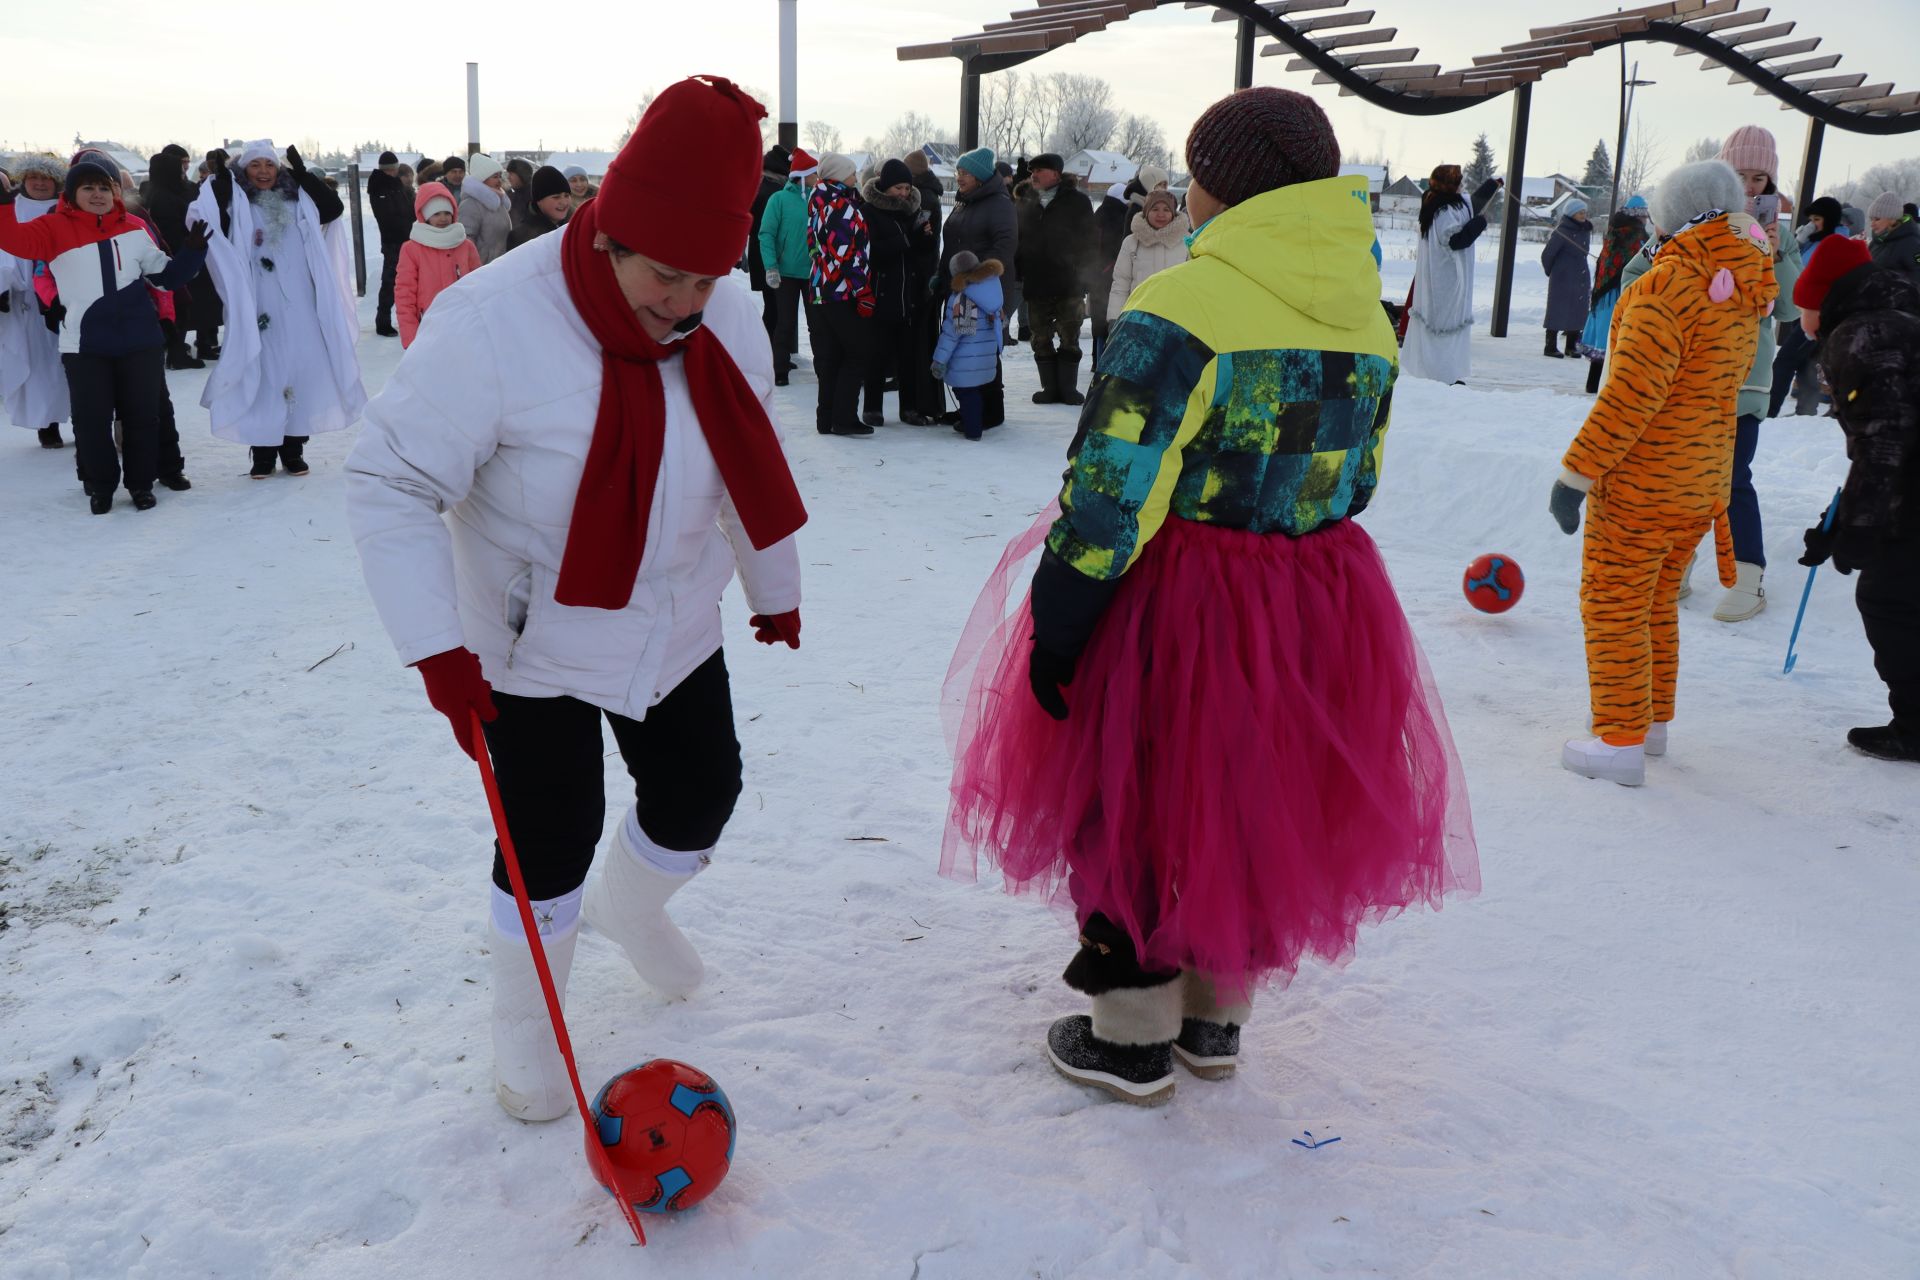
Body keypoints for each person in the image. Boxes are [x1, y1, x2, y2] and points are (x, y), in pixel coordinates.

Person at [945, 87, 1478, 1105]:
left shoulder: (1181, 308)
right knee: (1252, 796)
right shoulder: (1367, 316)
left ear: (1216, 187)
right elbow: (1358, 480)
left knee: (1136, 794)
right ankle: (1214, 1017)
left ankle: (1133, 1032)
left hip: (1182, 599)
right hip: (1320, 598)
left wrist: (1059, 625)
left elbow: (1112, 496)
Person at [345, 76, 807, 1123]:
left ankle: (628, 910)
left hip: (675, 617)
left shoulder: (727, 314)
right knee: (547, 836)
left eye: (709, 277)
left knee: (700, 798)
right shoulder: (493, 320)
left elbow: (750, 458)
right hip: (528, 636)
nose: (689, 302)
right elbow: (392, 478)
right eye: (668, 276)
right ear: (609, 235)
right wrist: (434, 648)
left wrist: (771, 588)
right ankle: (526, 1015)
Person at [1548, 161, 1776, 786]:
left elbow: (1630, 398)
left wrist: (1576, 475)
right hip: (1699, 479)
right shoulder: (1740, 286)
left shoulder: (1665, 288)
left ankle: (1618, 739)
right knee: (1655, 605)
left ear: (1673, 217)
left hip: (1645, 481)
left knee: (1615, 602)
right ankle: (1650, 724)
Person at [0, 158, 207, 512]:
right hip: (85, 345)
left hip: (139, 342)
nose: (97, 195)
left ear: (115, 192)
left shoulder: (134, 229)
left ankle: (141, 485)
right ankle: (101, 486)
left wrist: (191, 253)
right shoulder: (51, 228)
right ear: (72, 193)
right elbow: (12, 240)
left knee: (143, 418)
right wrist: (5, 205)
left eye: (104, 188)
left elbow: (167, 279)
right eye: (88, 188)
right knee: (91, 421)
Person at [1792, 234, 1920, 763]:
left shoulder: (1860, 336)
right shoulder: (1900, 313)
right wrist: (1842, 517)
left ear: (1820, 299)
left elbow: (1886, 435)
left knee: (1887, 599)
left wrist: (1861, 529)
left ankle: (1914, 726)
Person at [192, 141, 367, 478]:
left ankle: (293, 447)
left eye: (269, 165)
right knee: (264, 371)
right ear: (244, 170)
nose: (262, 172)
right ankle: (263, 451)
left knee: (300, 370)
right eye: (254, 165)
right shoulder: (238, 202)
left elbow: (332, 209)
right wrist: (221, 178)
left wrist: (303, 173)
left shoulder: (298, 199)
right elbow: (208, 212)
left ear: (279, 169)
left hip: (301, 304)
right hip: (260, 303)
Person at [1707, 125, 1803, 623]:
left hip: (1745, 381)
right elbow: (1637, 278)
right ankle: (1673, 566)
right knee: (1681, 474)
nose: (1748, 188)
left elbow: (1790, 310)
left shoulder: (1781, 236)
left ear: (1771, 184)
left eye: (1759, 178)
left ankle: (1749, 575)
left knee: (1732, 478)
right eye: (1738, 176)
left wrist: (1776, 252)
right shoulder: (1694, 223)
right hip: (1691, 378)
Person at [939, 147, 1017, 429]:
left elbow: (1004, 247)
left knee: (982, 347)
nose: (959, 177)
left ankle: (991, 412)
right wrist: (942, 275)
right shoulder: (965, 201)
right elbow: (952, 245)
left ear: (981, 176)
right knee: (964, 349)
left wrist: (975, 278)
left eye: (965, 173)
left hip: (987, 291)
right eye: (958, 172)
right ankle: (970, 407)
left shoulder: (999, 204)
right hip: (962, 287)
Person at [1402, 165, 1501, 384]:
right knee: (1443, 330)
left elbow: (1471, 203)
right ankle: (1441, 376)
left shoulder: (1443, 201)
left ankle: (1446, 373)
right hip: (1445, 279)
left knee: (1446, 330)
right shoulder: (1442, 210)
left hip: (1446, 278)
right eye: (1458, 182)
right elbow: (1457, 240)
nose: (1462, 186)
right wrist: (1481, 222)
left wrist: (1492, 185)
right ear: (1450, 185)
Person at [0, 154, 72, 448]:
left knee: (72, 362)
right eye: (34, 178)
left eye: (46, 178)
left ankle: (84, 420)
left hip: (66, 295)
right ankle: (48, 423)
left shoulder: (67, 209)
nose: (40, 183)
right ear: (24, 180)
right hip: (28, 300)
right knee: (41, 364)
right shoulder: (12, 210)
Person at [1014, 153, 1095, 406]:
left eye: (1039, 170)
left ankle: (1067, 389)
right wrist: (1019, 270)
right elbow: (1018, 238)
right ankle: (1049, 388)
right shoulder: (1025, 201)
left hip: (1069, 281)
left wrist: (1085, 275)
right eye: (1031, 171)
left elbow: (1090, 241)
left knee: (1070, 334)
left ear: (1056, 174)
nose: (1033, 175)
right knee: (1040, 336)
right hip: (1037, 281)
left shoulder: (1078, 202)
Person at [805, 152, 875, 437]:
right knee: (856, 353)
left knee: (831, 356)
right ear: (839, 175)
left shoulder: (817, 203)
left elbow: (814, 248)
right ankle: (844, 418)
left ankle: (826, 418)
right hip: (842, 292)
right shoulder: (841, 206)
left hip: (821, 290)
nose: (855, 176)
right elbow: (848, 255)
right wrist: (863, 290)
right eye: (851, 172)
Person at [860, 158, 920, 427]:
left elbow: (917, 254)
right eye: (898, 188)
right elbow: (870, 252)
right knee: (876, 355)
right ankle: (872, 408)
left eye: (907, 188)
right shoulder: (869, 212)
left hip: (908, 295)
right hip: (881, 293)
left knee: (909, 357)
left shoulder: (910, 212)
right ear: (885, 187)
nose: (904, 194)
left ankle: (909, 408)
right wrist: (905, 240)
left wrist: (924, 239)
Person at [1090, 165, 1169, 368]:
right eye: (1158, 184)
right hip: (1129, 288)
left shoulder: (1179, 235)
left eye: (1165, 185)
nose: (1161, 214)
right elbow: (1125, 265)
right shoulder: (1136, 213)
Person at [139, 144, 207, 368]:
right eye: (179, 169)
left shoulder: (152, 191)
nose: (183, 173)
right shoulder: (166, 197)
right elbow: (173, 231)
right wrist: (187, 256)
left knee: (172, 307)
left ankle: (176, 347)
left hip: (163, 256)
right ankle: (177, 353)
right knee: (179, 306)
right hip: (173, 257)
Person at [396, 181, 482, 348]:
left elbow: (478, 285)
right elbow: (404, 295)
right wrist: (411, 338)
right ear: (425, 216)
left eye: (447, 213)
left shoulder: (465, 246)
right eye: (436, 214)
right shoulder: (412, 249)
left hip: (464, 325)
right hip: (428, 327)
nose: (443, 218)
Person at [929, 250, 1003, 441]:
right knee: (974, 392)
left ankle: (973, 430)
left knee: (967, 392)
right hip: (985, 356)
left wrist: (939, 360)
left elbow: (954, 334)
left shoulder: (963, 298)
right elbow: (1002, 321)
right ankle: (971, 422)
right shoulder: (990, 290)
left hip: (966, 359)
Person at [758, 148, 815, 387]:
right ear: (802, 175)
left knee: (817, 325)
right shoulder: (778, 200)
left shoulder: (818, 199)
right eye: (813, 173)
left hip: (813, 274)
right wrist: (771, 266)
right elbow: (766, 234)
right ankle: (778, 369)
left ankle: (823, 366)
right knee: (785, 323)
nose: (817, 177)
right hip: (785, 274)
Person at [1578, 210, 1647, 394]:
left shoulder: (1612, 233)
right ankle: (1605, 387)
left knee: (1602, 338)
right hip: (1619, 294)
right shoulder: (1636, 236)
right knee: (1613, 339)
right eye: (1644, 216)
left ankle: (1592, 384)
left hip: (1602, 294)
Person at [902, 150, 947, 425]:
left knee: (922, 341)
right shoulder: (926, 193)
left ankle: (925, 401)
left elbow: (922, 240)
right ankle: (926, 400)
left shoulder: (923, 198)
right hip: (925, 273)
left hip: (923, 276)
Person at [1106, 187, 1187, 319]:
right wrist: (1115, 317)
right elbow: (1121, 283)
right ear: (1146, 212)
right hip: (1138, 317)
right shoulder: (1132, 242)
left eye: (1166, 210)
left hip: (1176, 319)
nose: (1160, 214)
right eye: (1155, 209)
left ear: (1173, 213)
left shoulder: (1186, 242)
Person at [367, 151, 414, 338]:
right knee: (391, 282)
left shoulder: (391, 187)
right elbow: (392, 217)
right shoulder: (383, 187)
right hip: (394, 242)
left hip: (401, 240)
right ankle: (383, 321)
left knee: (398, 282)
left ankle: (391, 319)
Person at [748, 146, 790, 347]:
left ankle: (771, 352)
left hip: (762, 254)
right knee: (775, 309)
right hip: (769, 256)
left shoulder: (761, 185)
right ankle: (769, 352)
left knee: (773, 307)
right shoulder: (774, 190)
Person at [1540, 199, 1593, 358]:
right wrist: (1554, 272)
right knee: (1557, 310)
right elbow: (1547, 255)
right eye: (1580, 212)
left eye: (1585, 212)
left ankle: (1571, 346)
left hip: (1580, 275)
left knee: (1578, 310)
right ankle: (1550, 346)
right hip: (1562, 277)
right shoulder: (1562, 231)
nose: (1584, 215)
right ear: (1571, 214)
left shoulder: (1585, 230)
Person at [458, 153, 514, 265]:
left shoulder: (498, 202)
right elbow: (466, 242)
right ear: (482, 179)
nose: (499, 181)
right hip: (482, 268)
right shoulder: (470, 205)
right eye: (494, 177)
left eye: (499, 176)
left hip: (499, 265)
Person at [506, 166, 572, 250]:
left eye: (566, 195)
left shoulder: (575, 227)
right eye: (556, 197)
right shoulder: (521, 237)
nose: (564, 202)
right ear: (539, 200)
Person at [1866, 191, 1920, 288]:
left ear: (1892, 219)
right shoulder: (1876, 241)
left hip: (1898, 301)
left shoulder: (1911, 243)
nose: (1872, 224)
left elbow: (1917, 273)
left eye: (1877, 219)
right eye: (1871, 219)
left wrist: (1891, 284)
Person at [503, 157, 535, 226]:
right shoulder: (511, 194)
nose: (508, 177)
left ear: (522, 175)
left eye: (511, 174)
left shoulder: (533, 197)